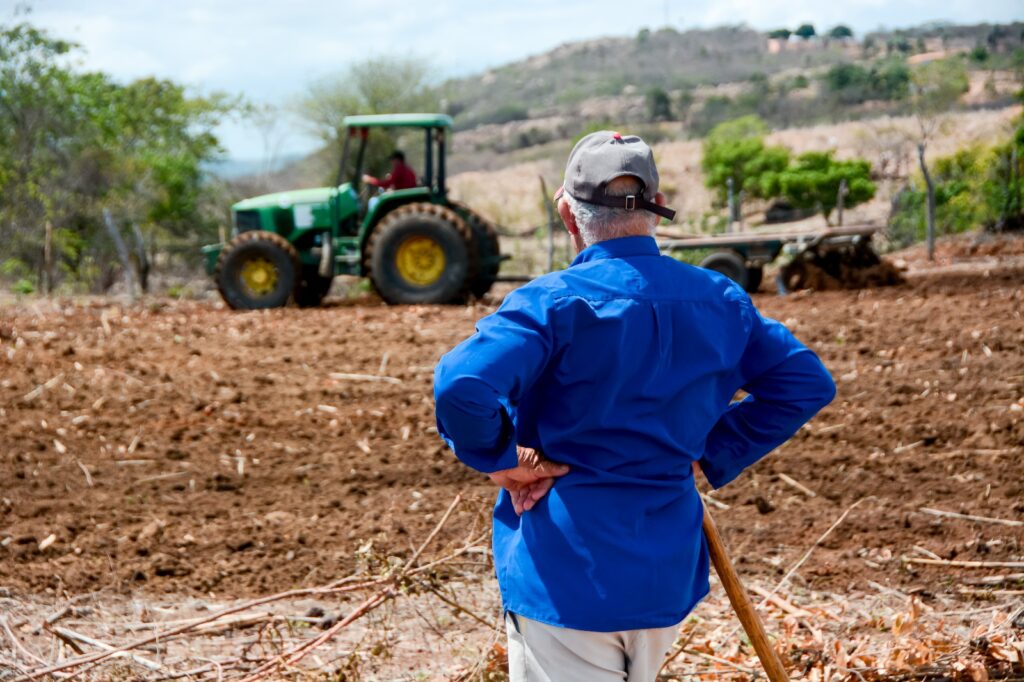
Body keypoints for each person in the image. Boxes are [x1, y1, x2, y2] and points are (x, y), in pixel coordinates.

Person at [433, 131, 836, 682]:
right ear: (655, 206)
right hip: (664, 573)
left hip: (568, 572)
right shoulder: (720, 299)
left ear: (567, 215)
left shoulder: (552, 303)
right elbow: (804, 382)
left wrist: (499, 457)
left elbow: (462, 385)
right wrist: (713, 451)